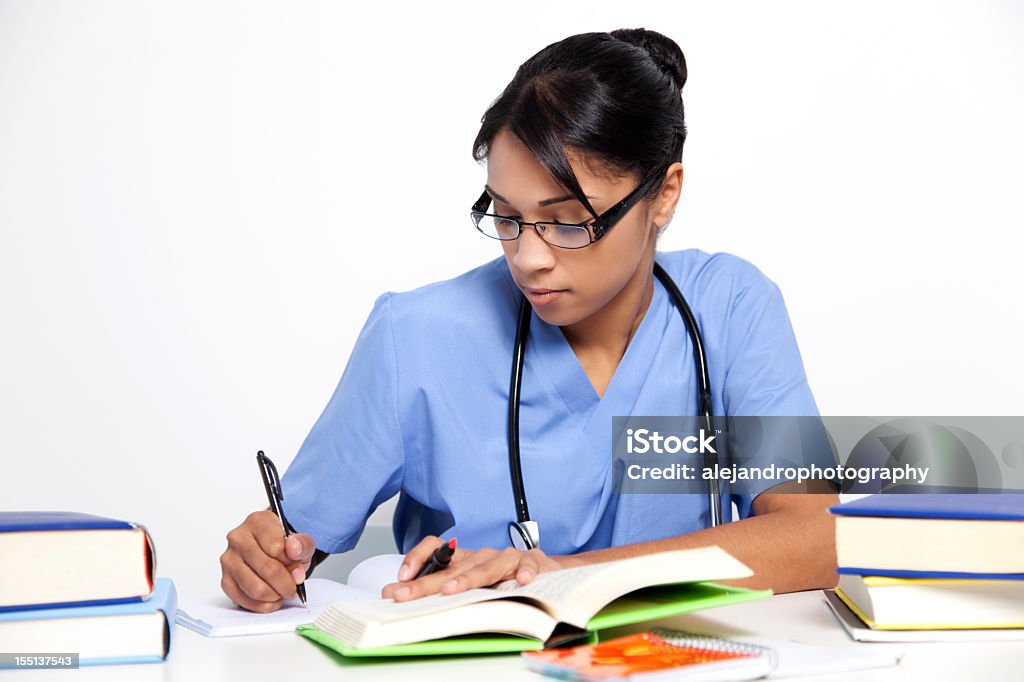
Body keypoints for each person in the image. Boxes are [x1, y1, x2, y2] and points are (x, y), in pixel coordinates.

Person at [219, 27, 840, 614]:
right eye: (508, 216)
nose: (530, 258)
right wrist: (263, 561)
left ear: (665, 193)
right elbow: (294, 543)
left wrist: (567, 574)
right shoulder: (417, 336)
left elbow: (817, 539)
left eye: (569, 221)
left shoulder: (731, 308)